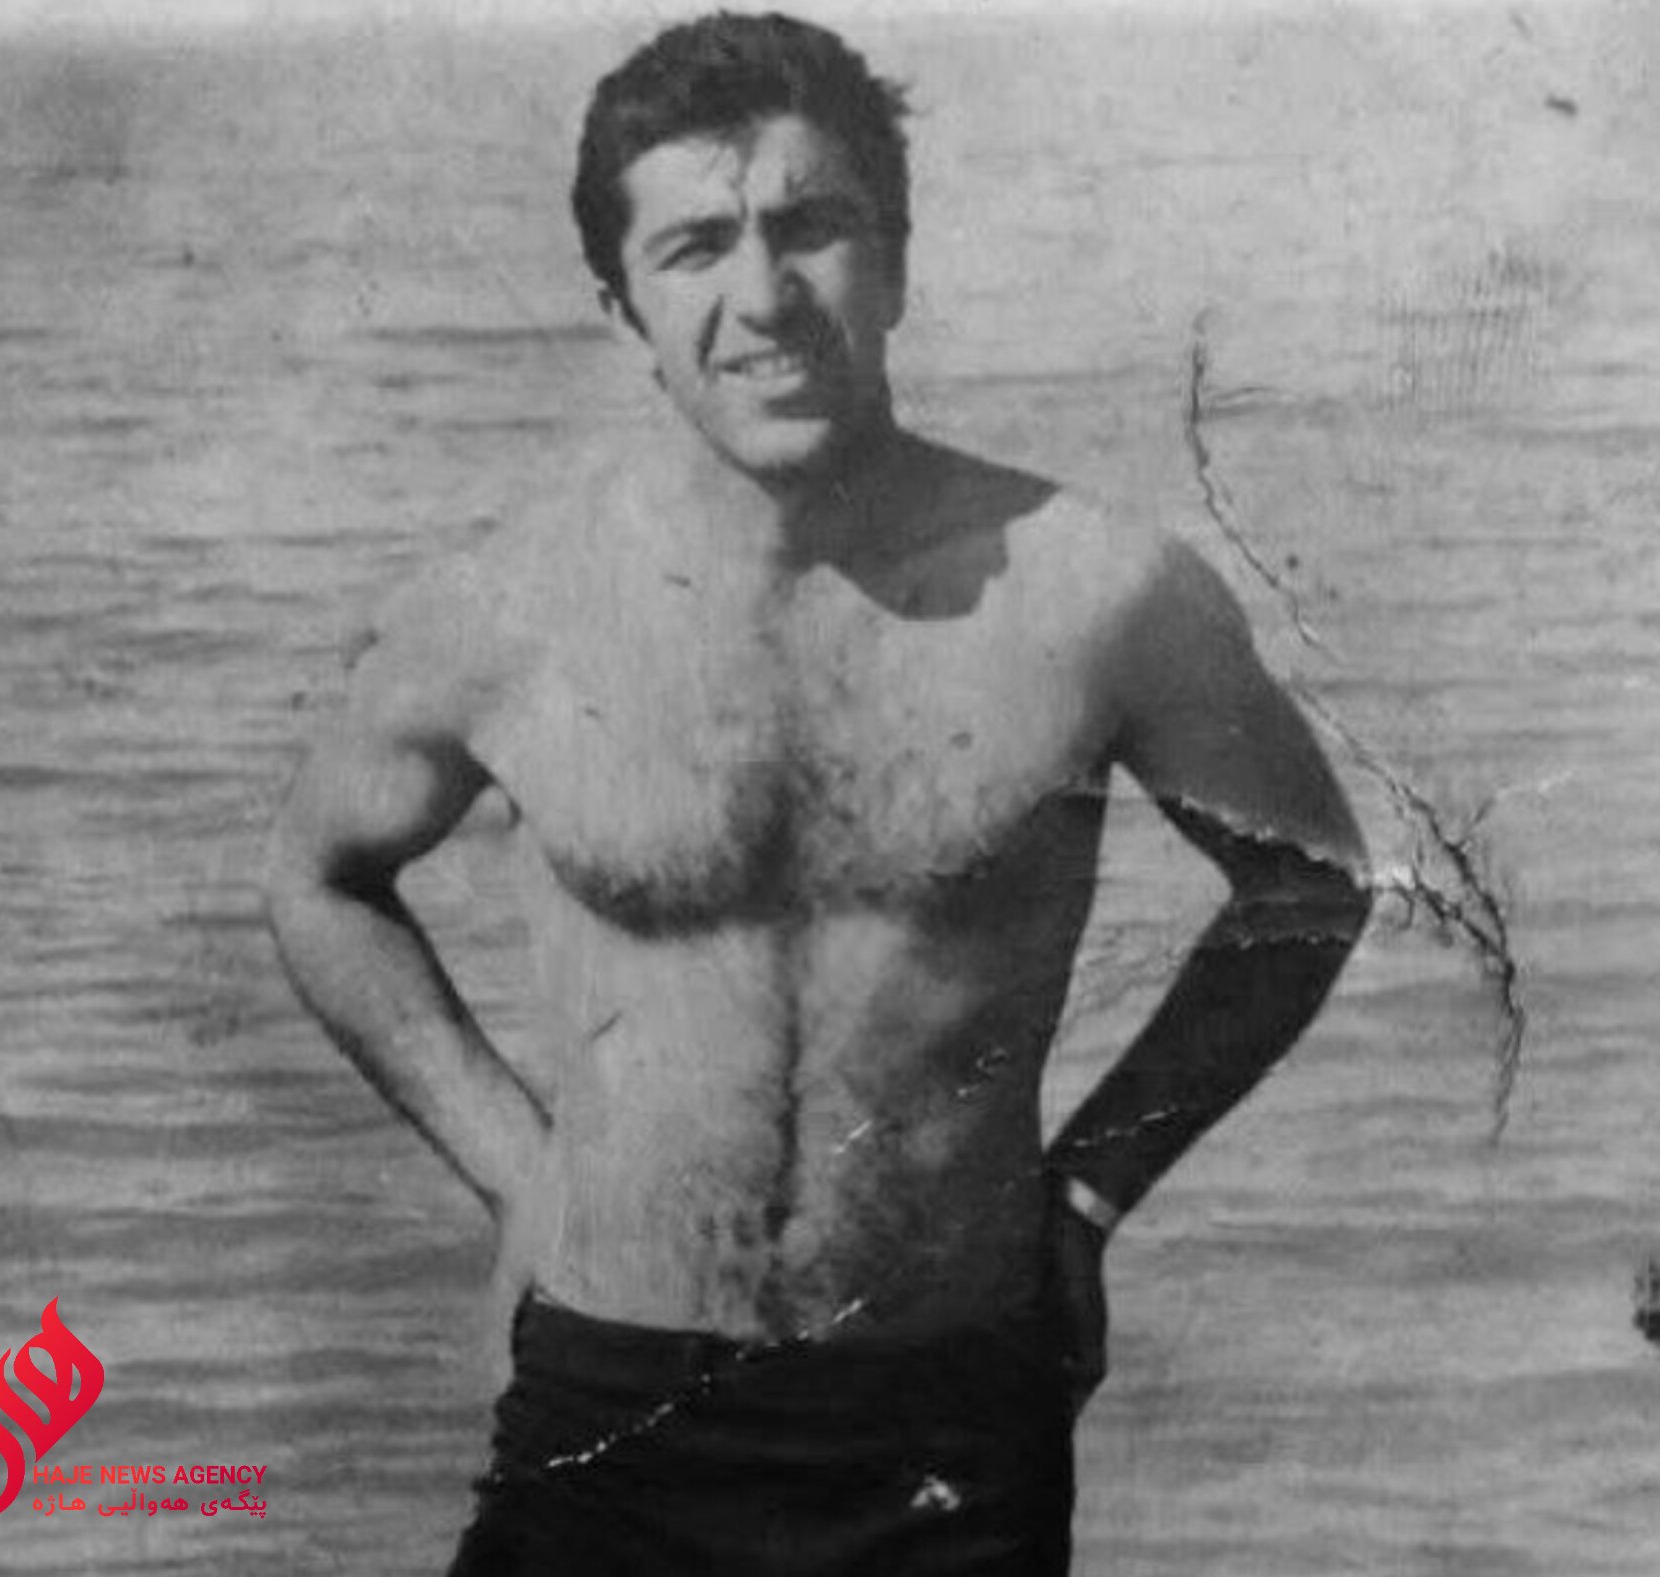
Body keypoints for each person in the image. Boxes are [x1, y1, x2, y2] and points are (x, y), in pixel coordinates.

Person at [265, 12, 1371, 1575]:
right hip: (610, 1398)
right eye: (695, 247)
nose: (764, 297)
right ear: (623, 307)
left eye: (812, 227)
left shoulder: (1100, 592)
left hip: (946, 1421)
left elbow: (1308, 880)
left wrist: (1096, 1188)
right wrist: (516, 1170)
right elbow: (318, 878)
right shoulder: (506, 610)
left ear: (898, 263)